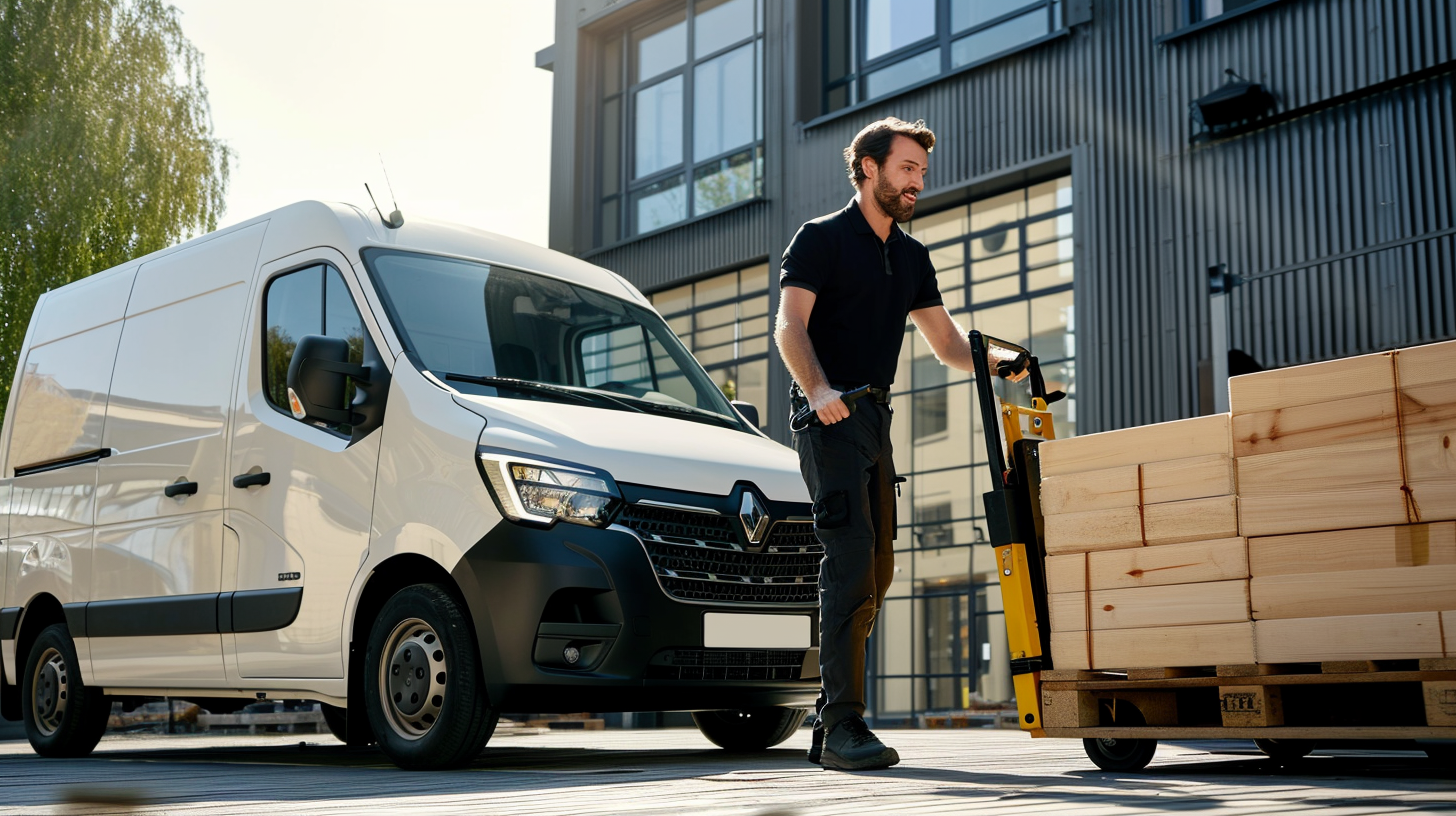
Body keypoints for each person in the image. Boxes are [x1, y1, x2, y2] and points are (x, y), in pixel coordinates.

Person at [774, 117, 977, 771]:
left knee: (880, 570)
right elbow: (788, 326)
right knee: (852, 560)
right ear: (868, 168)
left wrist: (1001, 362)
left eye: (921, 170)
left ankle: (828, 716)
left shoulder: (911, 257)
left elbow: (946, 346)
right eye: (907, 168)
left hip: (876, 421)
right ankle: (842, 726)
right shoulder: (822, 240)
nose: (918, 179)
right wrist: (818, 391)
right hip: (830, 418)